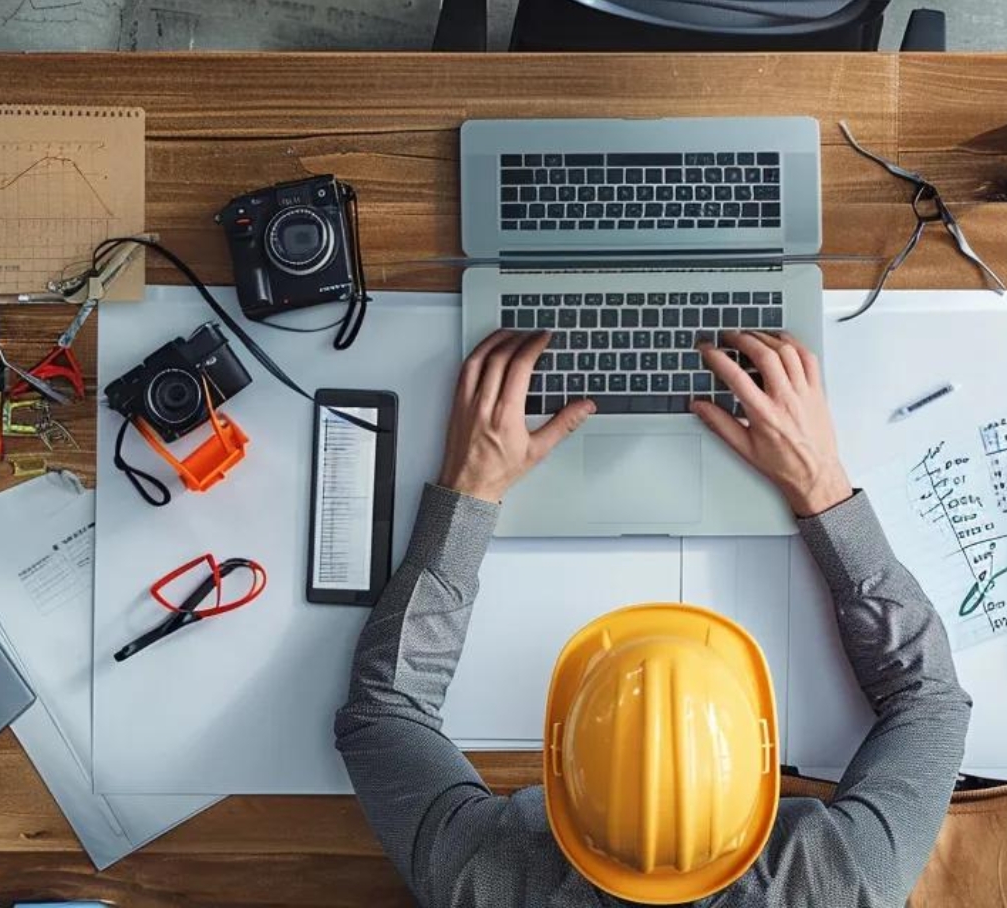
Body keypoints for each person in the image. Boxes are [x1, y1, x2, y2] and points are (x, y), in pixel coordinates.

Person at [337, 329, 972, 907]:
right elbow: (929, 700)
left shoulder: (488, 877)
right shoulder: (841, 880)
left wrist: (468, 491)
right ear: (761, 759)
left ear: (556, 758)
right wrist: (823, 485)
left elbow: (382, 711)